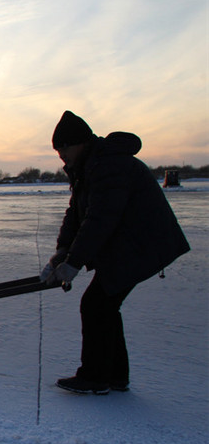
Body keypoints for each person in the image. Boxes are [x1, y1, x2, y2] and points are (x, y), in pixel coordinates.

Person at [40, 111, 190, 394]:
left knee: (97, 304)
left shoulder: (109, 165)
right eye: (57, 149)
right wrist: (61, 254)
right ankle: (114, 375)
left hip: (141, 244)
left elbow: (100, 219)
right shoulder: (90, 166)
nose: (60, 154)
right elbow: (77, 214)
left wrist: (74, 263)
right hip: (128, 243)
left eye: (63, 147)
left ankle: (96, 377)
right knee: (104, 305)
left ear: (80, 143)